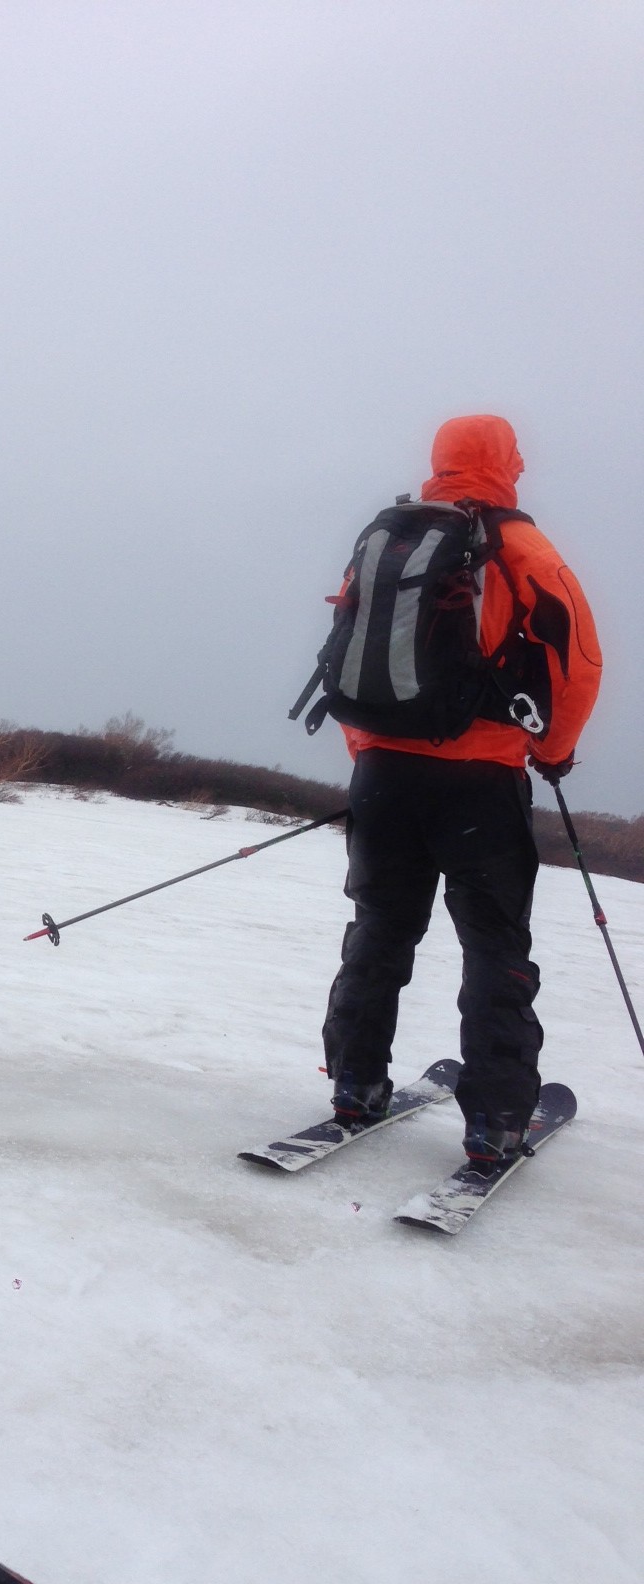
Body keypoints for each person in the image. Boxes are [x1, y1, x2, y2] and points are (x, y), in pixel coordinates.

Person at [321, 415, 601, 1169]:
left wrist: (372, 751)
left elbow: (348, 656)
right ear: (507, 461)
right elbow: (578, 660)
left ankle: (354, 1084)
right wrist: (552, 751)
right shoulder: (522, 548)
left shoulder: (390, 541)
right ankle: (498, 1120)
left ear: (440, 459)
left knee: (380, 929)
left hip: (383, 777)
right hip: (480, 784)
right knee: (493, 946)